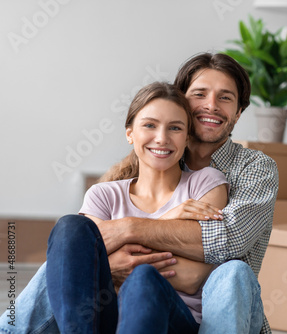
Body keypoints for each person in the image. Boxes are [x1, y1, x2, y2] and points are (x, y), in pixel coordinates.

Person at [0, 52, 278, 334]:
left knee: (215, 272)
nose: (211, 105)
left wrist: (128, 231)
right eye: (200, 94)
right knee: (69, 233)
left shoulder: (246, 170)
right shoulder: (124, 179)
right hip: (119, 310)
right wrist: (116, 257)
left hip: (215, 310)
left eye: (225, 98)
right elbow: (74, 254)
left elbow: (225, 245)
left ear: (239, 112)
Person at [48, 81, 230, 333]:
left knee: (144, 278)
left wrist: (115, 263)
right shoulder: (104, 195)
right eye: (149, 125)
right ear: (130, 133)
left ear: (187, 137)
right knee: (70, 226)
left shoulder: (206, 184)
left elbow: (193, 277)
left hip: (173, 318)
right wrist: (168, 221)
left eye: (175, 128)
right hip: (105, 318)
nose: (162, 138)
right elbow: (77, 260)